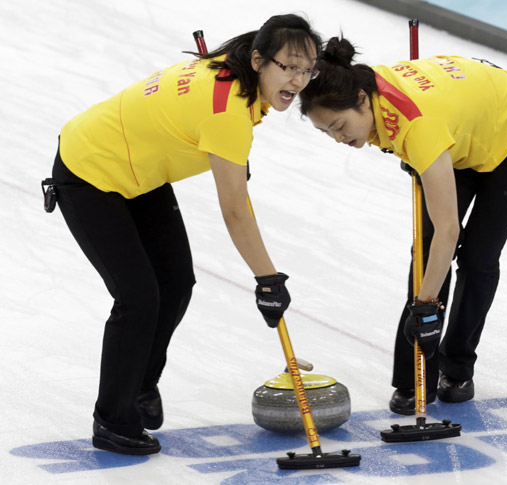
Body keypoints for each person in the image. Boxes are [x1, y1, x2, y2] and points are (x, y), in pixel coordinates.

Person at [47, 14, 322, 455]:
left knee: (175, 282)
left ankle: (140, 386)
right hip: (90, 170)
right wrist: (268, 279)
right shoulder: (228, 109)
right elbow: (234, 209)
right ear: (257, 60)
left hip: (139, 173)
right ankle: (113, 420)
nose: (298, 79)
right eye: (288, 66)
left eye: (308, 69)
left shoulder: (230, 74)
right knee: (138, 297)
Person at [299, 37, 507, 415]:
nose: (337, 138)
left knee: (478, 257)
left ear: (363, 100)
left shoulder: (419, 128)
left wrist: (426, 306)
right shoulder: (363, 86)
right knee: (427, 253)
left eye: (338, 126)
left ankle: (458, 367)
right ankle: (414, 379)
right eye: (326, 132)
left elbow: (450, 230)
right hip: (457, 128)